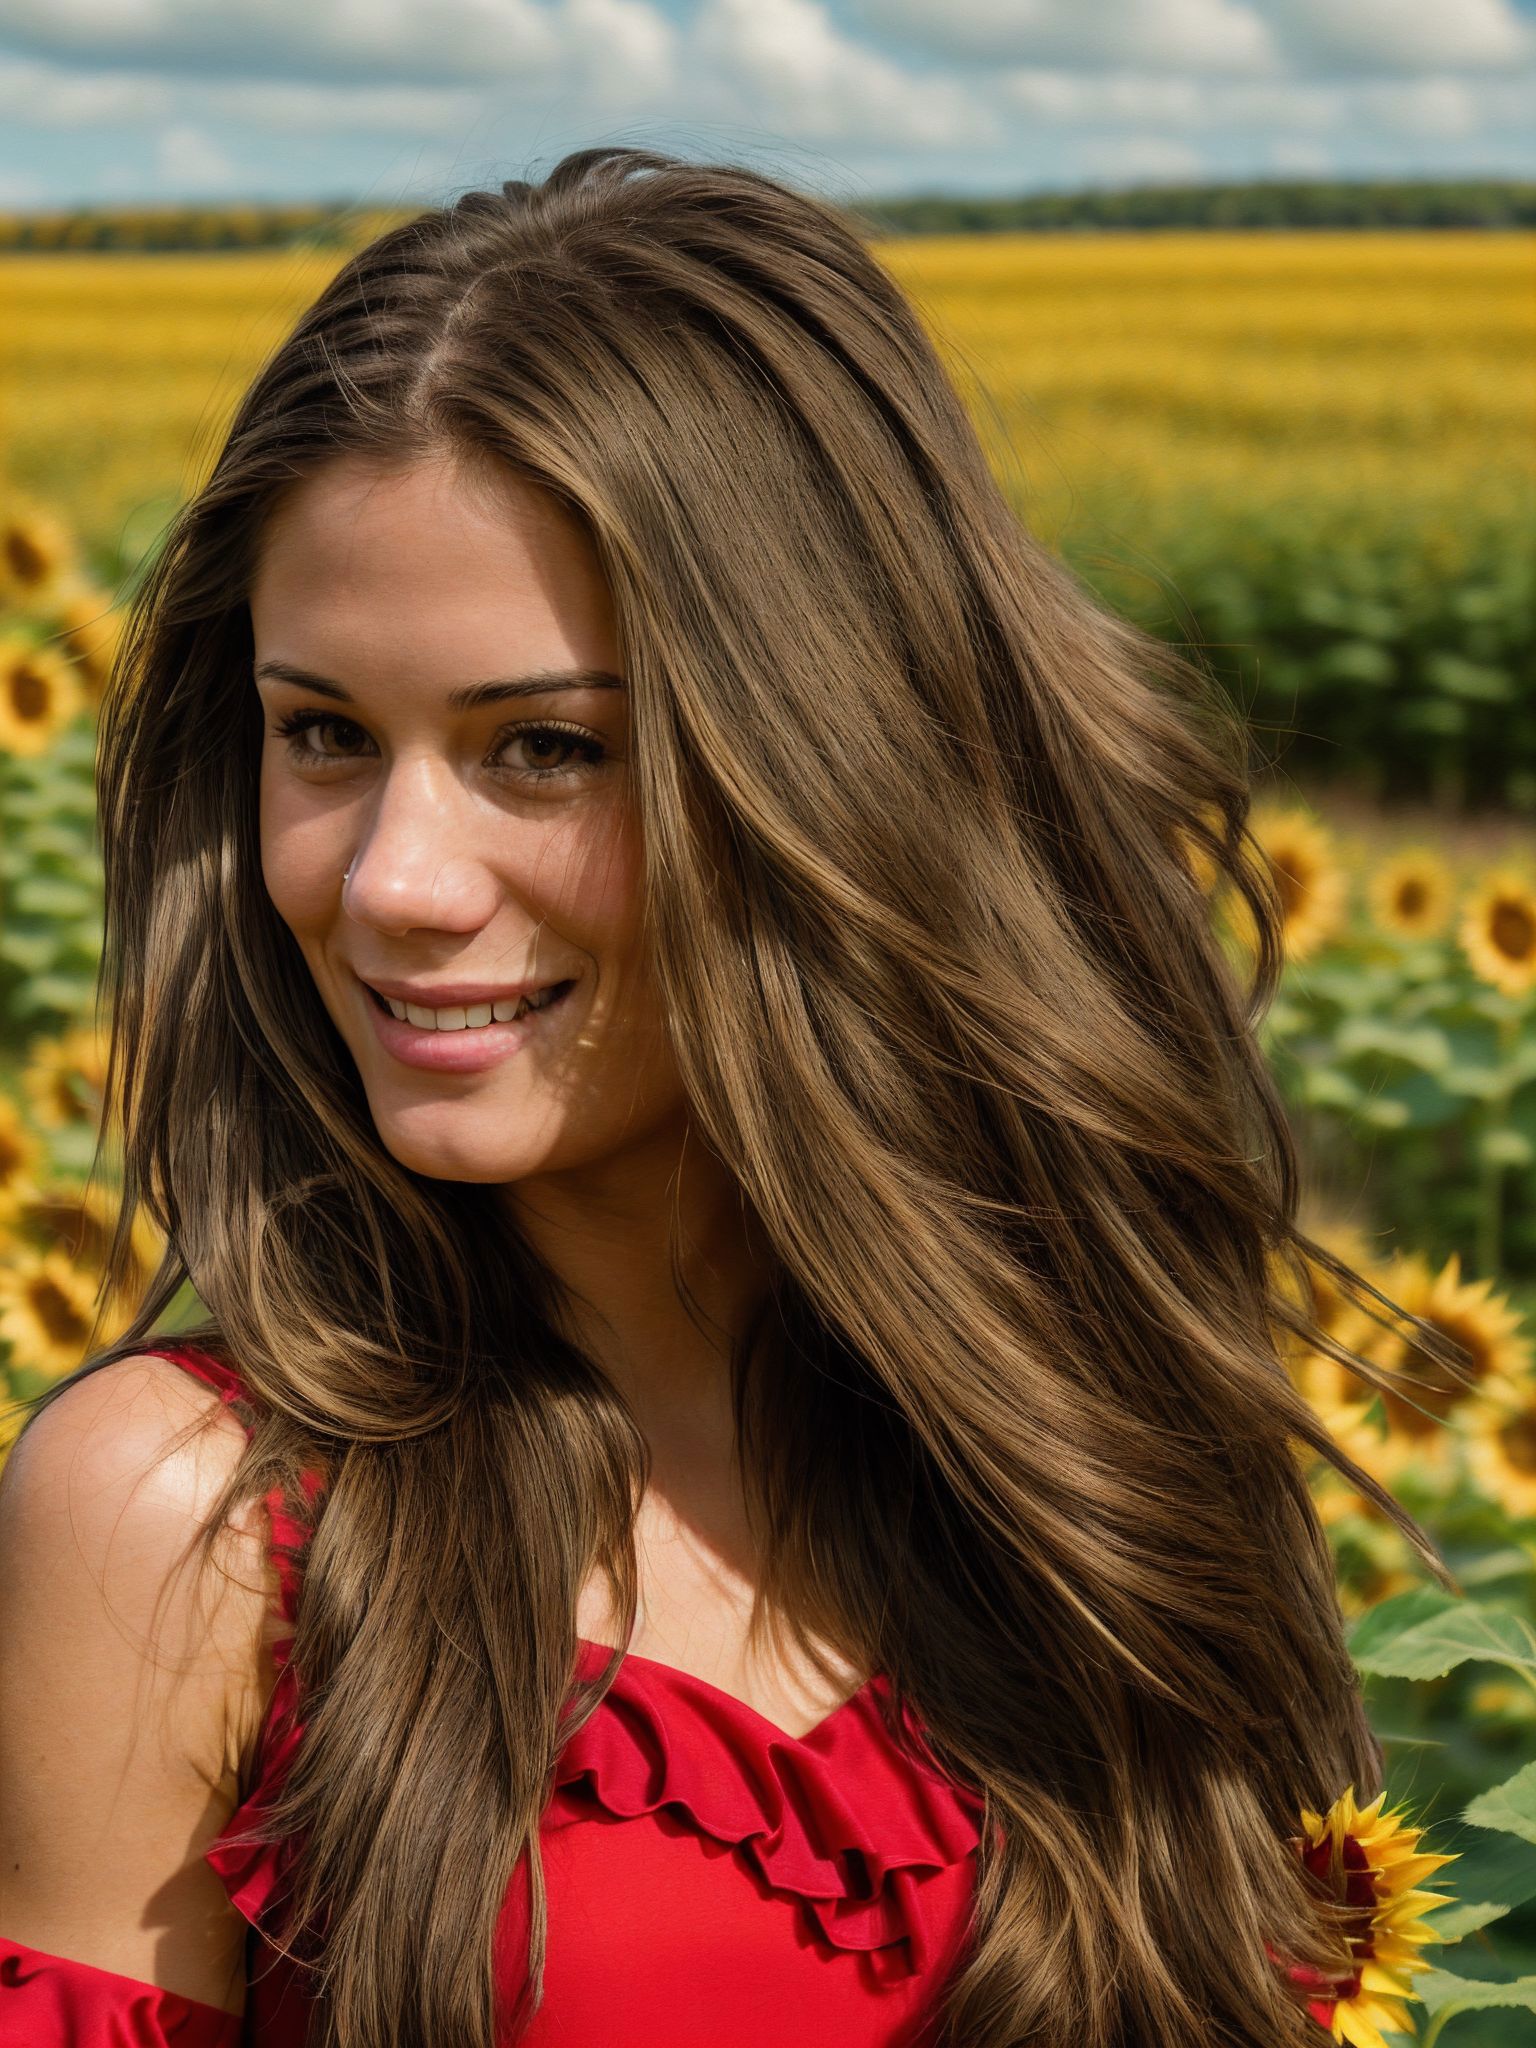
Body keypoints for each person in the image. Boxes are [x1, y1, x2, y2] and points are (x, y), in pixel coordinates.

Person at [0, 145, 1457, 2048]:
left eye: (544, 749)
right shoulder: (193, 1526)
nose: (389, 883)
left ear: (829, 767)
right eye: (323, 737)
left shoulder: (1094, 1447)